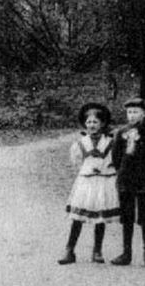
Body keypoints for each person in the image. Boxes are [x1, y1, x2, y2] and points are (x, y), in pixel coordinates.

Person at [58, 102, 121, 265]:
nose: (92, 125)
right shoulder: (80, 143)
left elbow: (116, 160)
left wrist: (107, 167)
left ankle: (97, 250)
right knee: (78, 217)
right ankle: (70, 250)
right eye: (89, 122)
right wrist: (87, 169)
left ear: (103, 124)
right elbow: (76, 162)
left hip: (104, 181)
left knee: (100, 215)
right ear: (84, 124)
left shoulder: (110, 142)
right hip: (86, 182)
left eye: (95, 122)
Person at [110, 97, 145, 269]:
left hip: (144, 183)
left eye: (136, 112)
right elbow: (116, 157)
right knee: (127, 217)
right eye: (129, 112)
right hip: (126, 181)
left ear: (144, 114)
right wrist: (122, 173)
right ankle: (126, 253)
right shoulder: (121, 133)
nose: (132, 116)